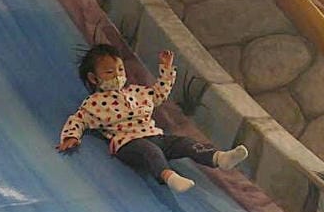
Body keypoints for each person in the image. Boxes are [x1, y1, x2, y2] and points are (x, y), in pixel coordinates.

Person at [57, 44, 247, 193]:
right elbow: (78, 119)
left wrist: (166, 70)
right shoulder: (95, 103)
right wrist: (71, 137)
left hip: (154, 134)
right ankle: (168, 176)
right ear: (93, 78)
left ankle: (219, 158)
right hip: (128, 143)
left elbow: (159, 93)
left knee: (185, 143)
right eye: (109, 72)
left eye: (120, 70)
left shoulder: (136, 91)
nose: (117, 75)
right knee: (151, 151)